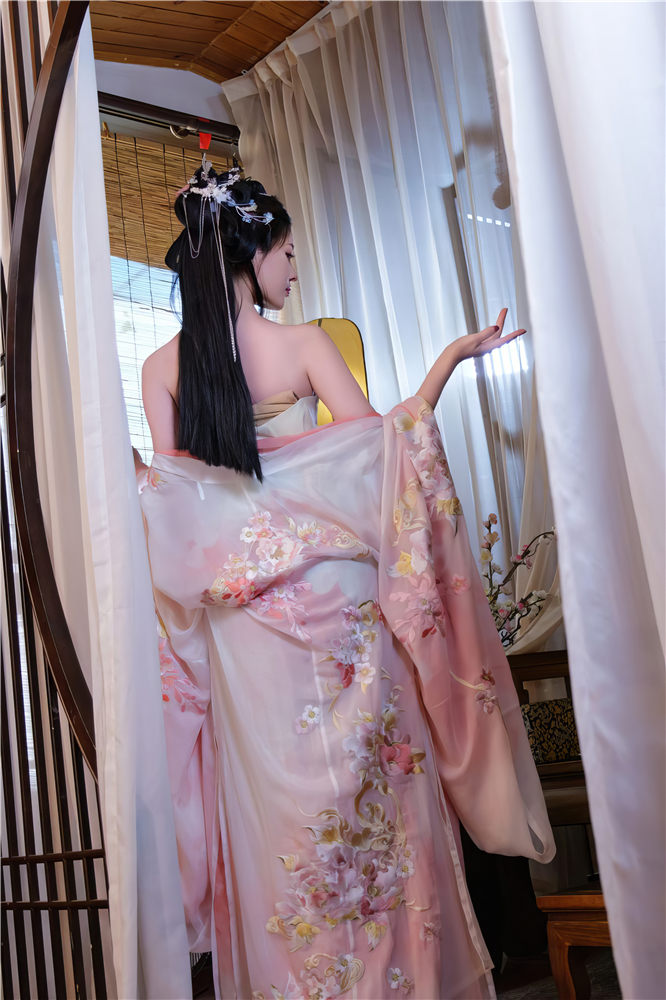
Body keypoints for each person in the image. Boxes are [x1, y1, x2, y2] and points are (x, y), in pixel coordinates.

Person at [137, 159, 554, 1000]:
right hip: (344, 615)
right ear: (251, 254)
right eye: (288, 251)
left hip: (247, 635)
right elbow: (382, 458)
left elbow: (179, 508)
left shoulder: (161, 368)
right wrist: (445, 366)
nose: (294, 268)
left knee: (283, 829)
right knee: (382, 810)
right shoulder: (301, 345)